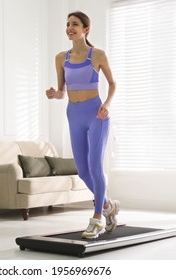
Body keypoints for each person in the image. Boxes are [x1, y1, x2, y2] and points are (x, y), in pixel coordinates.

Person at [46, 11, 120, 239]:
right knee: (83, 170)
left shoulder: (97, 55)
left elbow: (112, 83)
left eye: (75, 24)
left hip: (96, 114)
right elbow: (62, 92)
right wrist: (54, 94)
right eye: (67, 24)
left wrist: (107, 103)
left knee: (95, 166)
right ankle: (108, 206)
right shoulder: (61, 58)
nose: (69, 27)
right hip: (74, 114)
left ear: (86, 29)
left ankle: (97, 218)